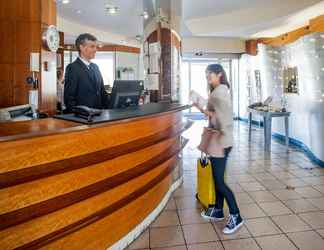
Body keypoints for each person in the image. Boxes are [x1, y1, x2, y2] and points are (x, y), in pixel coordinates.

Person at [193, 64, 243, 234]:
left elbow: (220, 116)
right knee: (217, 178)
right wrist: (203, 107)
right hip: (220, 140)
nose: (208, 77)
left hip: (221, 141)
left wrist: (202, 108)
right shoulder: (220, 91)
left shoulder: (219, 93)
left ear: (219, 74)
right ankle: (218, 210)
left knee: (220, 182)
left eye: (210, 75)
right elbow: (215, 113)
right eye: (207, 75)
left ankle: (236, 216)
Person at [64, 33, 110, 112]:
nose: (96, 49)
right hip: (83, 118)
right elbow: (69, 98)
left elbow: (102, 92)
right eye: (92, 46)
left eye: (96, 47)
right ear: (81, 47)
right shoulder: (72, 68)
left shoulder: (96, 67)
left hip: (99, 115)